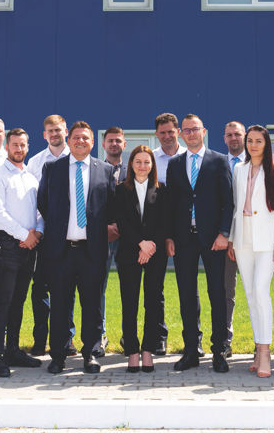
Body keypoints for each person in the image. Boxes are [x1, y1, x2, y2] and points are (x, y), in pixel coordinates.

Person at [37, 121, 117, 374]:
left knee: (92, 305)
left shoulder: (105, 170)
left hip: (92, 251)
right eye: (76, 137)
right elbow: (43, 202)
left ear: (93, 142)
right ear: (69, 140)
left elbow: (111, 206)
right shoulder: (53, 168)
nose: (80, 141)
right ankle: (58, 355)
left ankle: (90, 354)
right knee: (60, 305)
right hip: (61, 250)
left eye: (85, 138)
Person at [165, 114, 234, 373]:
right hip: (184, 239)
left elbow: (228, 201)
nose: (191, 133)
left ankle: (219, 351)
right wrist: (170, 236)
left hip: (213, 239)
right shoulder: (175, 164)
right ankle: (191, 350)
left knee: (217, 293)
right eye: (187, 130)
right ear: (181, 134)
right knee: (187, 295)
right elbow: (171, 203)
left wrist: (224, 233)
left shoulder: (219, 161)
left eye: (195, 129)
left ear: (204, 132)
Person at [227, 125, 274, 378]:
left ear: (266, 144)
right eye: (250, 141)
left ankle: (265, 351)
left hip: (267, 239)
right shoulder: (239, 170)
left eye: (258, 141)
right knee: (250, 294)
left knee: (261, 291)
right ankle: (257, 347)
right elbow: (235, 206)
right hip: (243, 238)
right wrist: (232, 239)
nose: (253, 145)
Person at [0, 128, 44, 377]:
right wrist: (24, 236)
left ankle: (13, 350)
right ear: (7, 147)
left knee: (18, 302)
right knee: (2, 302)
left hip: (29, 247)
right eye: (15, 145)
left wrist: (37, 234)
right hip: (7, 246)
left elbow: (40, 212)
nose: (19, 149)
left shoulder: (31, 177)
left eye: (23, 145)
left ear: (28, 147)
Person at [114, 145, 169, 373]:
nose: (142, 166)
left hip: (155, 253)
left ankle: (148, 349)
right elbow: (121, 222)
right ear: (131, 164)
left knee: (153, 302)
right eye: (138, 162)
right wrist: (140, 243)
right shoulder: (120, 190)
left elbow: (165, 222)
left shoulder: (162, 189)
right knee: (130, 302)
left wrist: (150, 246)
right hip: (129, 252)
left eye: (147, 162)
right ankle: (132, 351)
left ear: (152, 165)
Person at [26, 114, 74, 357]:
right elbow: (32, 201)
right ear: (44, 135)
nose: (55, 134)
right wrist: (38, 230)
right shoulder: (35, 162)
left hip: (71, 235)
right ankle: (39, 339)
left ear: (66, 131)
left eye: (58, 130)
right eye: (50, 131)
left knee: (67, 288)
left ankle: (67, 339)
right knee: (40, 290)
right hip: (43, 235)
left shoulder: (77, 157)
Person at [148, 112, 181, 355]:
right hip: (157, 231)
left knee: (189, 288)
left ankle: (195, 339)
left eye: (170, 132)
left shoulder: (189, 157)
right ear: (156, 135)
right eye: (162, 133)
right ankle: (158, 337)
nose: (167, 136)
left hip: (187, 230)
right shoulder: (150, 160)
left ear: (177, 132)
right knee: (154, 287)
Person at [95, 126, 127, 357]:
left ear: (124, 144)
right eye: (110, 141)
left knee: (129, 287)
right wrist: (104, 227)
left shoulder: (133, 169)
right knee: (98, 286)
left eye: (118, 140)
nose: (114, 144)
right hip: (102, 236)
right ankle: (100, 335)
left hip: (127, 238)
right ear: (103, 144)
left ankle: (129, 336)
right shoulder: (96, 170)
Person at [221, 120, 247, 356]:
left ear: (244, 136)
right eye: (229, 135)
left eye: (237, 134)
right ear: (224, 139)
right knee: (226, 292)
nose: (233, 138)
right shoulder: (217, 164)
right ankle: (225, 340)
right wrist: (227, 236)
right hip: (227, 239)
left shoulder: (257, 163)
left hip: (254, 239)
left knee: (257, 293)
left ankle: (261, 344)